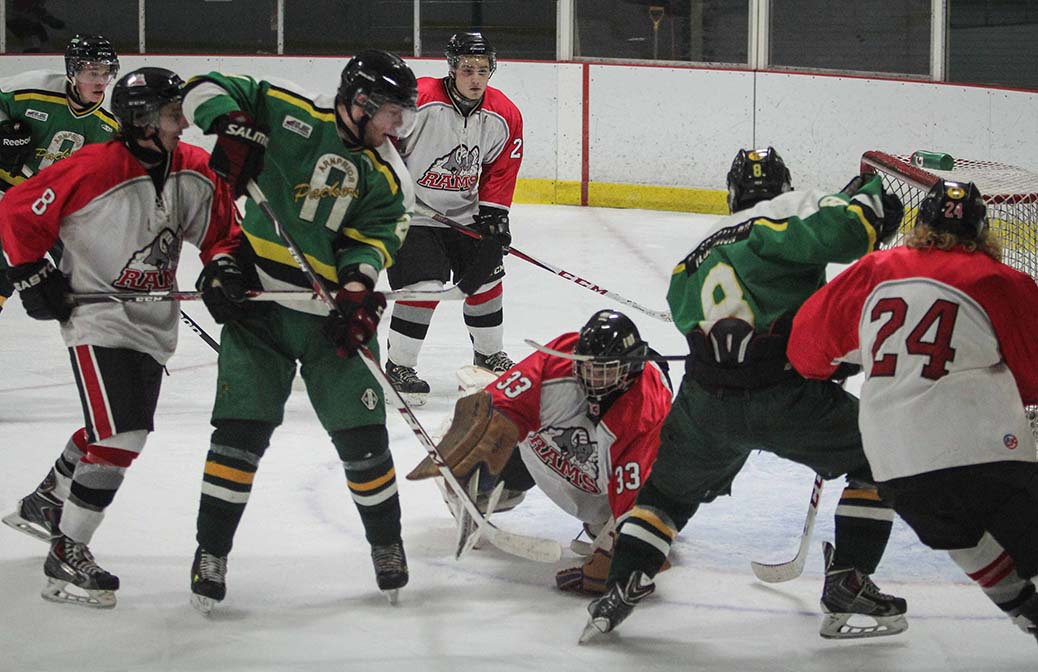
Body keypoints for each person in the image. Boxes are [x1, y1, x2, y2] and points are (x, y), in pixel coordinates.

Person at [579, 147, 907, 643]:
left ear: (731, 195)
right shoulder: (790, 210)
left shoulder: (693, 253)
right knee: (880, 455)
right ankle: (850, 582)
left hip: (705, 404)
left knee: (666, 495)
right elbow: (855, 231)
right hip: (784, 398)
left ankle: (620, 585)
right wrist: (868, 196)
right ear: (785, 186)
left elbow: (688, 313)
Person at [182, 49, 418, 611]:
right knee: (237, 439)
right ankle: (210, 551)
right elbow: (202, 86)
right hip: (259, 306)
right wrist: (229, 124)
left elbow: (377, 236)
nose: (397, 127)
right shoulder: (286, 107)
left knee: (365, 442)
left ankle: (386, 544)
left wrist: (359, 289)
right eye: (390, 113)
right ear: (359, 102)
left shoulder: (388, 174)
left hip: (326, 321)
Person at [0, 67, 241, 609]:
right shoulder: (92, 167)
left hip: (154, 324)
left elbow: (220, 232)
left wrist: (223, 269)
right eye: (171, 111)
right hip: (97, 319)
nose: (182, 120)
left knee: (109, 428)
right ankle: (67, 553)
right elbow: (14, 211)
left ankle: (46, 501)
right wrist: (31, 274)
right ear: (140, 119)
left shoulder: (195, 169)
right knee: (123, 435)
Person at [789, 179, 1038, 646]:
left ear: (920, 226)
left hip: (893, 468)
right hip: (984, 456)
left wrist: (842, 360)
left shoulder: (873, 269)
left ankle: (1025, 609)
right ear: (982, 233)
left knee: (962, 535)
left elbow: (805, 352)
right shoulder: (996, 279)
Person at [407, 309, 673, 593]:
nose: (593, 378)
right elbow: (498, 407)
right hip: (553, 440)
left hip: (610, 472)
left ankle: (611, 524)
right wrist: (472, 451)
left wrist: (628, 553)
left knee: (612, 524)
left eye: (604, 372)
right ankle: (493, 480)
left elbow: (638, 498)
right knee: (489, 432)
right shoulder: (559, 361)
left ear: (628, 371)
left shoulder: (646, 413)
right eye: (588, 367)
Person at [384, 31, 523, 403]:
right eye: (467, 69)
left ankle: (488, 354)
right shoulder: (420, 100)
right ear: (452, 68)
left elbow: (500, 168)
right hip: (413, 215)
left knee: (487, 278)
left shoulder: (504, 113)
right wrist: (391, 193)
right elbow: (383, 147)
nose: (475, 78)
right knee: (424, 285)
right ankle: (399, 364)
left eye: (482, 69)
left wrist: (495, 216)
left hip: (465, 215)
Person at [0, 33, 119, 314]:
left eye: (106, 72)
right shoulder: (33, 89)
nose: (101, 80)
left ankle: (110, 347)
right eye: (92, 72)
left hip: (48, 204)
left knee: (84, 279)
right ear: (72, 71)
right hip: (5, 189)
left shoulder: (106, 127)